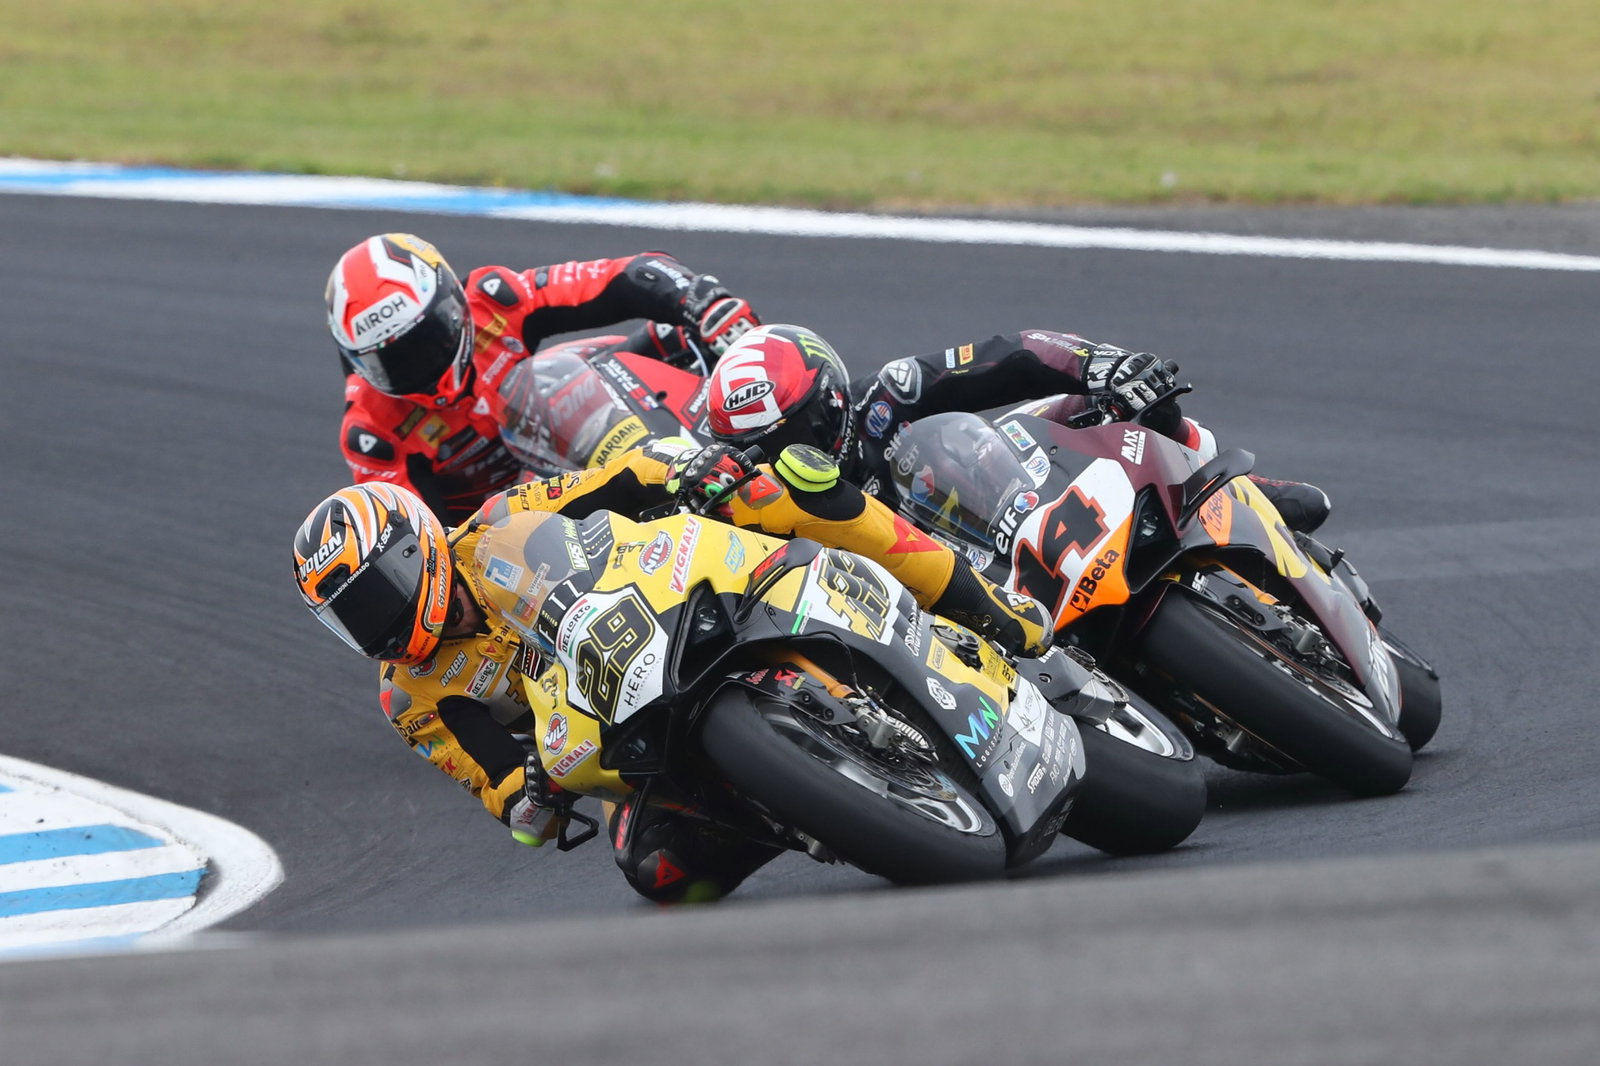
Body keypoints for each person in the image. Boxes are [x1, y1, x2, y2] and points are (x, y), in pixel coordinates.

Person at [292, 439, 1050, 904]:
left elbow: (618, 478)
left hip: (669, 600)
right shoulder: (410, 696)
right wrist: (532, 795)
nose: (379, 624)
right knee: (657, 870)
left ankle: (984, 605)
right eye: (353, 618)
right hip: (612, 729)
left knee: (783, 489)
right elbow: (502, 791)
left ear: (416, 547)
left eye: (379, 594)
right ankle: (809, 805)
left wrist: (687, 468)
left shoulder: (499, 522)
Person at [705, 325, 1331, 534]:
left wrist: (1102, 366)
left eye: (800, 429)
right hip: (946, 601)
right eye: (767, 448)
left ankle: (1230, 491)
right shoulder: (756, 503)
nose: (791, 453)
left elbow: (1012, 355)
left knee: (1109, 401)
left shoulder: (888, 391)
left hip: (1014, 502)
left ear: (832, 396)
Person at [327, 232, 761, 525]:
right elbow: (422, 540)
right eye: (391, 361)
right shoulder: (370, 432)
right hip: (508, 528)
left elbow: (625, 274)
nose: (419, 366)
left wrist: (703, 301)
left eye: (427, 339)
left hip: (572, 447)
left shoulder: (494, 300)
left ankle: (748, 443)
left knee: (675, 335)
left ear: (452, 304)